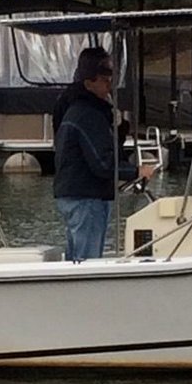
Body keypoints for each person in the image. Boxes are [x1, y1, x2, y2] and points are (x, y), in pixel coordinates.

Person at [52, 46, 153, 261]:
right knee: (87, 260)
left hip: (76, 193)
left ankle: (76, 290)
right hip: (85, 196)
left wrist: (119, 131)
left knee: (77, 257)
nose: (110, 87)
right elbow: (103, 164)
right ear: (89, 83)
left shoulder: (79, 110)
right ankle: (85, 292)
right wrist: (136, 170)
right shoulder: (88, 115)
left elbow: (101, 151)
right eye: (105, 81)